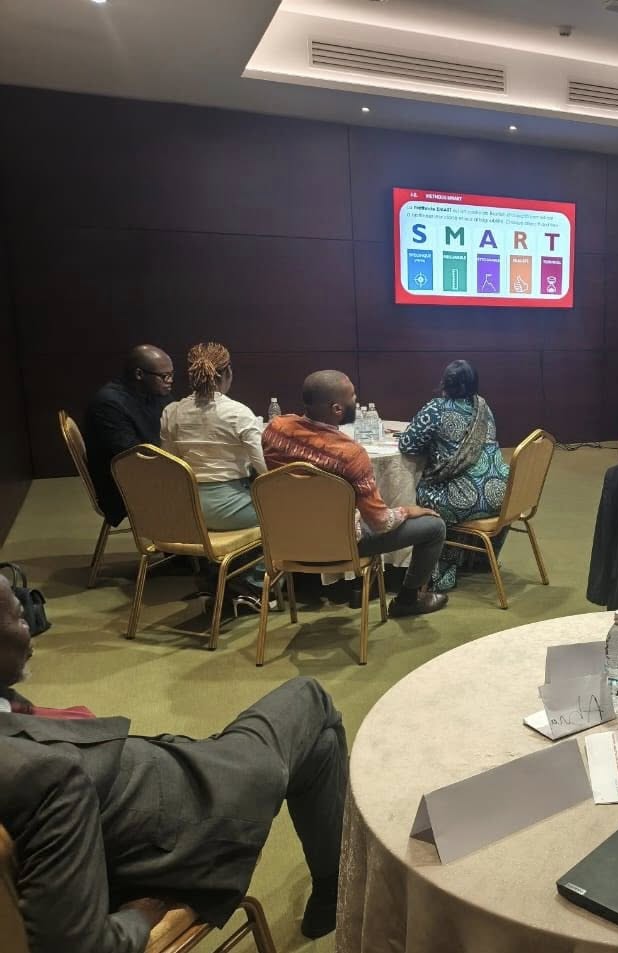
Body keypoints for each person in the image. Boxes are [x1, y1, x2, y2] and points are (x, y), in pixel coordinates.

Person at [0, 574, 348, 951]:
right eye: (17, 615)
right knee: (309, 696)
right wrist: (142, 914)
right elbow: (75, 945)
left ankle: (332, 890)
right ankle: (349, 886)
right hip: (196, 817)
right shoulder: (46, 777)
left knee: (318, 747)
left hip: (151, 790)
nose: (30, 620)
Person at [261, 370, 448, 618]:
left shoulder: (274, 431)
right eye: (353, 396)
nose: (356, 399)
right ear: (337, 409)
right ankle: (408, 600)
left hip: (286, 542)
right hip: (341, 545)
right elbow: (381, 523)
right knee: (435, 527)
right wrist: (408, 510)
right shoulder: (350, 454)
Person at [397, 360, 510, 592]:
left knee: (421, 494)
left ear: (445, 384)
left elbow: (407, 444)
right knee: (459, 486)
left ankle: (442, 573)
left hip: (465, 500)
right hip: (503, 496)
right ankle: (478, 560)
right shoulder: (483, 407)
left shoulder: (436, 408)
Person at [160, 343, 266, 531]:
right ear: (228, 372)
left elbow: (169, 463)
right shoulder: (239, 413)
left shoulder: (172, 411)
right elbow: (263, 469)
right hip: (231, 510)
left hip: (186, 509)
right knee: (288, 507)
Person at [83, 345, 174, 527]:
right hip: (122, 487)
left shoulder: (155, 393)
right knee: (204, 485)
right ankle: (183, 541)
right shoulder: (108, 404)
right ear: (139, 374)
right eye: (165, 376)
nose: (170, 381)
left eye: (172, 375)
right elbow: (133, 456)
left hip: (147, 472)